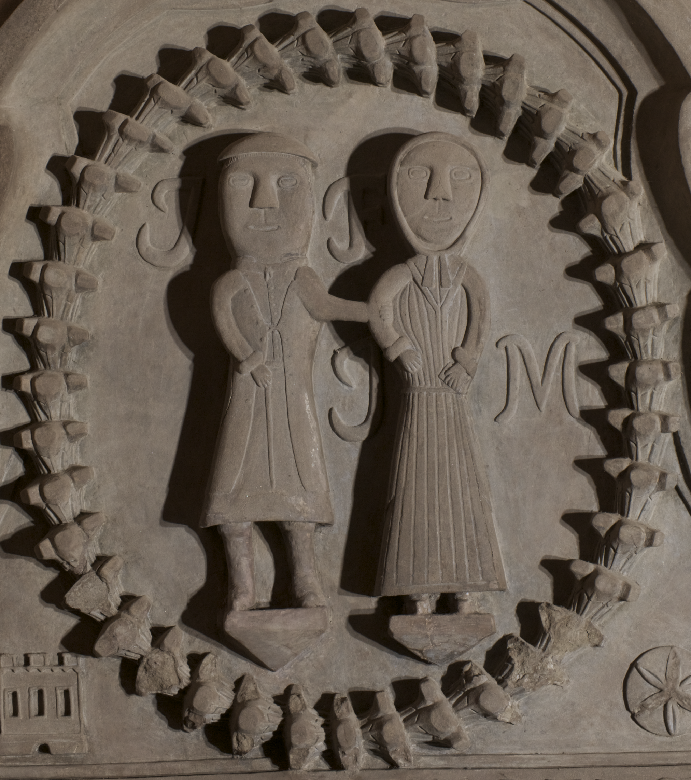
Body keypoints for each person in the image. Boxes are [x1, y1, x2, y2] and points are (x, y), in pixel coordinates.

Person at [202, 132, 367, 615]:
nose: (264, 201)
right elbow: (223, 318)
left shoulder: (303, 277)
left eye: (285, 184)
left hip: (292, 404)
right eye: (244, 185)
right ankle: (242, 587)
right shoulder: (233, 279)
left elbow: (328, 306)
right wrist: (245, 356)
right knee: (235, 493)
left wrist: (377, 313)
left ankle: (305, 580)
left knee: (299, 496)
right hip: (250, 398)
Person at [368, 132, 506, 614]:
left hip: (449, 393)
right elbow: (378, 309)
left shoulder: (466, 273)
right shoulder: (403, 271)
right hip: (420, 392)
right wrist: (398, 346)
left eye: (459, 178)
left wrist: (468, 361)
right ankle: (418, 589)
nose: (439, 193)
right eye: (420, 178)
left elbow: (481, 315)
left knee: (461, 487)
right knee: (414, 489)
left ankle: (465, 588)